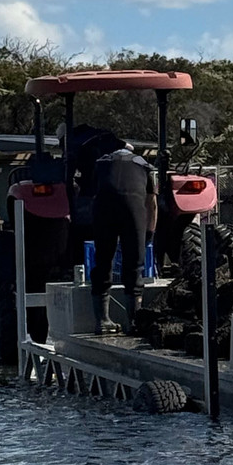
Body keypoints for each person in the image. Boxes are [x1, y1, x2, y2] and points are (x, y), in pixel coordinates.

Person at [90, 143, 158, 335]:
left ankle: (102, 321)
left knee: (103, 261)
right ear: (132, 151)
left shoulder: (101, 162)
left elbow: (91, 194)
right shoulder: (143, 164)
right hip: (133, 207)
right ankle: (134, 322)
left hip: (104, 208)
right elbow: (151, 203)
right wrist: (149, 232)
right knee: (134, 265)